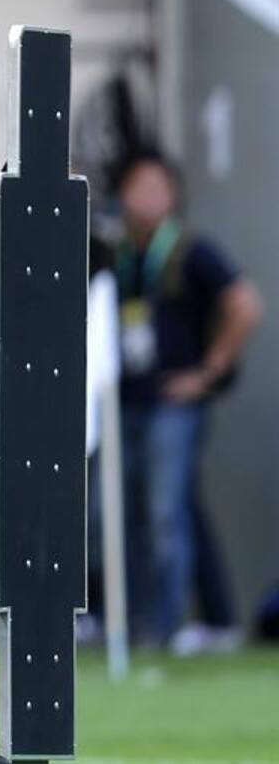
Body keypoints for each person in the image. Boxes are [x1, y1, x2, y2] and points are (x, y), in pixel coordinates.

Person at [113, 151, 262, 652]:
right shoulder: (115, 252)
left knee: (166, 513)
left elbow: (245, 304)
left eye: (158, 187)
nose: (148, 197)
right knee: (128, 514)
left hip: (171, 404)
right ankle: (136, 622)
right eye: (139, 186)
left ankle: (167, 625)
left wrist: (209, 373)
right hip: (125, 402)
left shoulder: (191, 251)